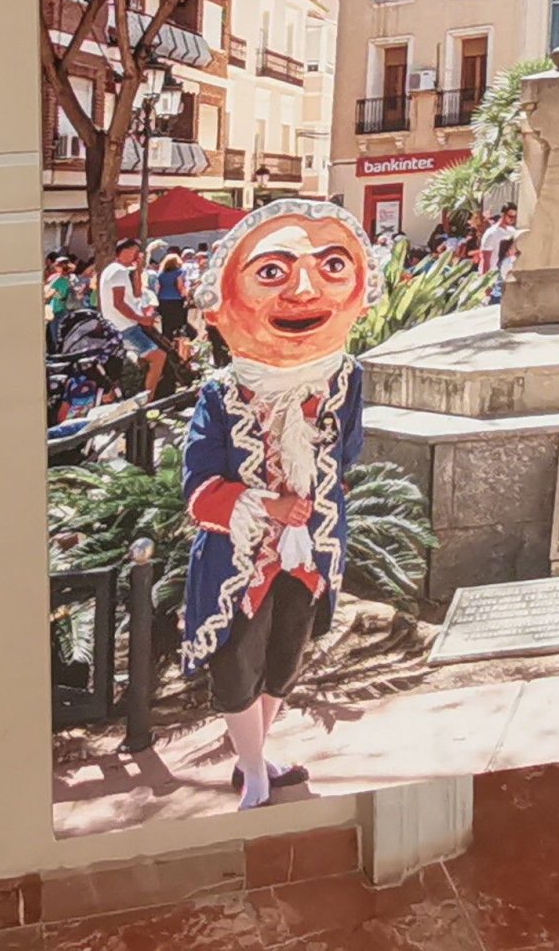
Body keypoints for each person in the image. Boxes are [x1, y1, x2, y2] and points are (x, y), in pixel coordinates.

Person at [181, 199, 372, 812]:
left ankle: (256, 759)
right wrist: (267, 505)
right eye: (271, 272)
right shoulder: (221, 393)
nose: (305, 291)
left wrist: (316, 493)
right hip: (239, 557)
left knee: (286, 654)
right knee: (236, 661)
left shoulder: (346, 378)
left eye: (332, 267)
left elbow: (347, 451)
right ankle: (254, 770)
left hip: (312, 547)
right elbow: (197, 485)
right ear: (221, 307)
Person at [96, 235, 166, 399]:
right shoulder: (118, 272)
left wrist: (138, 270)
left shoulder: (114, 270)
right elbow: (119, 303)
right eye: (135, 252)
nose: (137, 256)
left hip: (121, 325)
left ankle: (138, 391)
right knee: (158, 357)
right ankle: (148, 398)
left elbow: (136, 294)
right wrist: (141, 319)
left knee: (143, 360)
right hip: (125, 326)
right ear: (125, 251)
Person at [153, 242, 193, 346]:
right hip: (176, 300)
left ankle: (166, 344)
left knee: (166, 324)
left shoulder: (161, 275)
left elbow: (158, 287)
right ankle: (178, 346)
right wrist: (186, 296)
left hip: (163, 300)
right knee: (179, 324)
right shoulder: (180, 272)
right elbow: (180, 286)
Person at [477, 204, 522, 279]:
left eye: (515, 217)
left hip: (507, 273)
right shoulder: (491, 233)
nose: (512, 219)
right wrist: (485, 279)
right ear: (503, 214)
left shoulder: (512, 231)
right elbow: (485, 258)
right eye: (510, 216)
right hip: (493, 275)